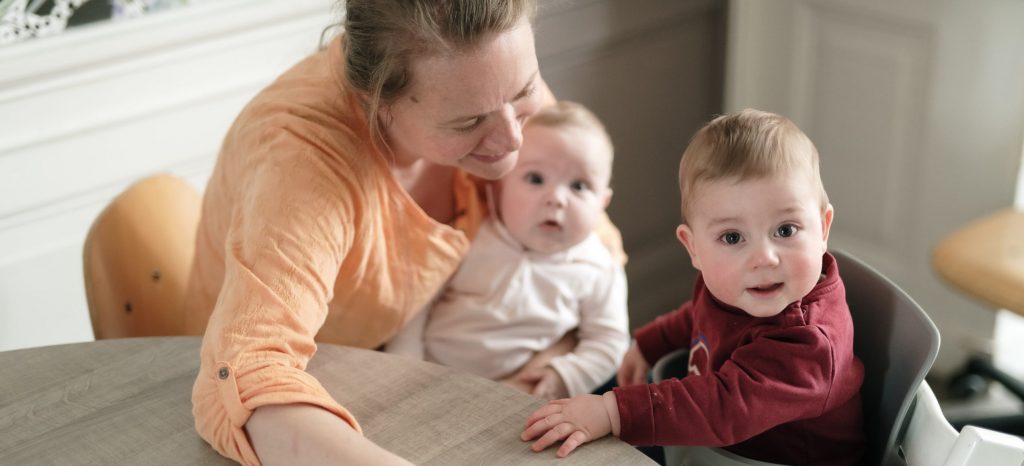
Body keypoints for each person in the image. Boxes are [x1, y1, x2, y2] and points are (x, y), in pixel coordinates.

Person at [182, 1, 625, 464]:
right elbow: (242, 380)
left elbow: (595, 247)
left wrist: (546, 368)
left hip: (455, 392)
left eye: (526, 92)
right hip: (328, 412)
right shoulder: (300, 160)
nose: (513, 140)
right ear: (377, 101)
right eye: (468, 123)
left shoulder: (487, 76)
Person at [521, 108, 865, 465]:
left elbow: (723, 407)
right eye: (733, 237)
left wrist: (613, 412)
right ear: (694, 248)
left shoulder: (807, 344)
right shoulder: (743, 287)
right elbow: (701, 315)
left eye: (786, 230)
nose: (764, 257)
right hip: (715, 446)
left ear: (823, 229)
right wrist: (650, 342)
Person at [386, 101, 630, 400]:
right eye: (535, 179)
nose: (556, 199)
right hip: (431, 375)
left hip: (514, 394)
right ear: (499, 187)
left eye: (579, 186)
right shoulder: (471, 238)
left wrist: (562, 375)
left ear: (602, 202)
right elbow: (419, 303)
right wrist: (405, 367)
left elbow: (608, 343)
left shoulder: (599, 269)